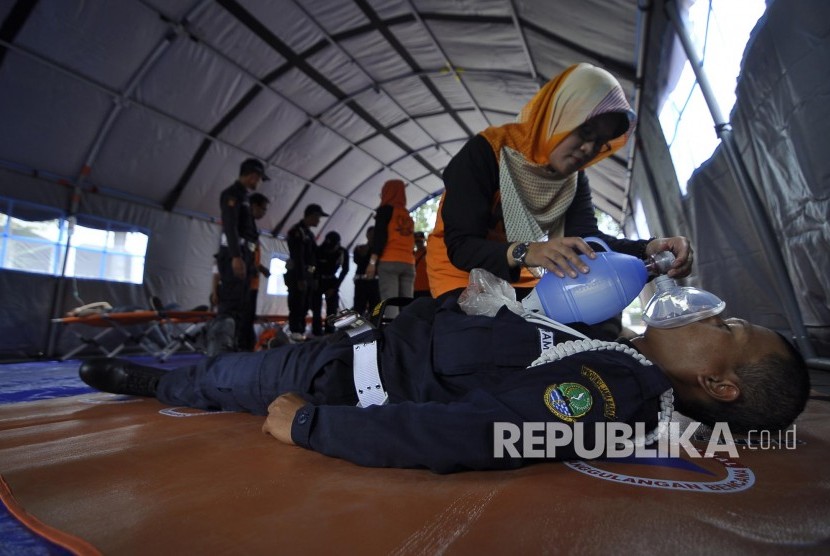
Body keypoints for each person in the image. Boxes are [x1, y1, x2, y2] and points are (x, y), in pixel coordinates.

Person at [79, 296, 808, 474]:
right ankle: (157, 378)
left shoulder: (614, 385)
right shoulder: (614, 345)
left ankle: (141, 380)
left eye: (731, 328)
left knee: (221, 379)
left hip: (338, 382)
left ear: (719, 383)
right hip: (364, 342)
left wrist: (310, 427)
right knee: (226, 373)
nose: (712, 313)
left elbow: (483, 432)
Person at [426, 63, 694, 302]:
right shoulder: (488, 152)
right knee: (494, 343)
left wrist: (647, 248)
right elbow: (462, 247)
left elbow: (589, 242)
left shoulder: (573, 180)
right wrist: (528, 251)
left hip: (521, 277)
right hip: (461, 278)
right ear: (559, 115)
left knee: (572, 335)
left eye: (600, 142)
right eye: (585, 130)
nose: (589, 148)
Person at [211, 158, 269, 353]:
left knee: (240, 308)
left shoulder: (244, 197)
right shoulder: (232, 194)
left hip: (244, 257)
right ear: (253, 175)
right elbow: (230, 225)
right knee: (230, 305)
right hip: (234, 256)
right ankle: (218, 353)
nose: (258, 182)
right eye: (259, 178)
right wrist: (236, 256)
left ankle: (234, 348)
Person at [366, 179, 415, 318]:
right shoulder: (407, 215)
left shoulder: (385, 210)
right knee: (407, 304)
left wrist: (372, 262)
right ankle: (410, 335)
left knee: (390, 304)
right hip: (408, 264)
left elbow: (379, 237)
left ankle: (392, 337)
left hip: (389, 261)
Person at [282, 204, 329, 342]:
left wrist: (313, 277)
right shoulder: (297, 232)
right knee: (296, 304)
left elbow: (314, 255)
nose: (319, 221)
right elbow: (298, 257)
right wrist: (301, 278)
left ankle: (300, 333)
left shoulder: (309, 233)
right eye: (318, 217)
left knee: (305, 305)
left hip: (307, 275)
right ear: (312, 215)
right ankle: (295, 333)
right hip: (298, 275)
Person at [311, 231, 350, 336]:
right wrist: (313, 280)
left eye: (333, 248)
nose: (330, 250)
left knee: (332, 308)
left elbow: (345, 270)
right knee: (316, 307)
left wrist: (335, 287)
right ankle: (316, 331)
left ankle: (330, 330)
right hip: (318, 279)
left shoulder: (342, 252)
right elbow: (312, 267)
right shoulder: (319, 250)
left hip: (332, 280)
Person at [352, 226, 380, 317]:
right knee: (359, 307)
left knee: (376, 308)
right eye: (371, 234)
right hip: (361, 282)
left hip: (375, 282)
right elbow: (356, 261)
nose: (372, 236)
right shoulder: (360, 248)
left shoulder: (381, 251)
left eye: (375, 234)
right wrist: (362, 254)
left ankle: (375, 327)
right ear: (367, 235)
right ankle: (357, 329)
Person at [413, 231, 430, 298]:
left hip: (428, 288)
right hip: (415, 289)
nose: (418, 243)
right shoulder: (412, 254)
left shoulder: (430, 252)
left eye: (420, 241)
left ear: (424, 240)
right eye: (417, 241)